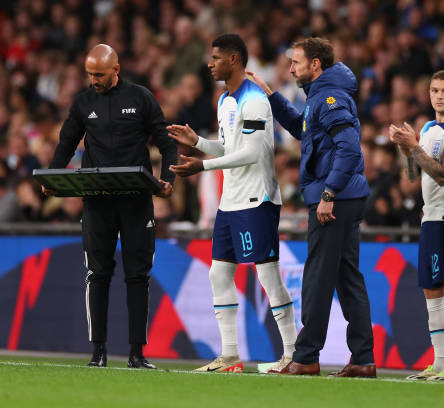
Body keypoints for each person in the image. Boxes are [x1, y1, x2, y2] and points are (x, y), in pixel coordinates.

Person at [167, 34, 296, 373]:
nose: (210, 63)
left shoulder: (254, 99)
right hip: (231, 202)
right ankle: (230, 357)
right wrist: (198, 143)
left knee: (268, 277)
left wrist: (202, 166)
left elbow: (253, 153)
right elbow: (230, 149)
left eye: (216, 58)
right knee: (218, 274)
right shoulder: (225, 100)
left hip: (257, 199)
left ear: (235, 59)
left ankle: (292, 355)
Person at [248, 37, 375, 377]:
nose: (291, 68)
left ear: (316, 65)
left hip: (335, 199)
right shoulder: (322, 95)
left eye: (297, 62)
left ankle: (305, 357)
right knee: (347, 278)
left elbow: (349, 149)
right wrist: (272, 96)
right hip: (345, 196)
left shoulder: (330, 97)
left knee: (319, 277)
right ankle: (363, 359)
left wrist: (329, 193)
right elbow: (305, 131)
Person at [45, 44, 176, 369]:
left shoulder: (141, 98)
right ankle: (98, 352)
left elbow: (166, 143)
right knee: (97, 274)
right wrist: (52, 176)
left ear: (116, 69)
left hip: (136, 201)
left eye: (99, 74)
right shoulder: (83, 102)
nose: (93, 80)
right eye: (90, 74)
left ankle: (136, 353)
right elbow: (66, 143)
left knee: (138, 276)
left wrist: (167, 178)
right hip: (97, 200)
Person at [389, 70, 444, 383]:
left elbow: (442, 174)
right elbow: (413, 177)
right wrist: (405, 148)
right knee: (431, 289)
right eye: (435, 90)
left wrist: (414, 147)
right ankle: (440, 364)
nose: (439, 96)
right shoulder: (427, 128)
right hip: (431, 215)